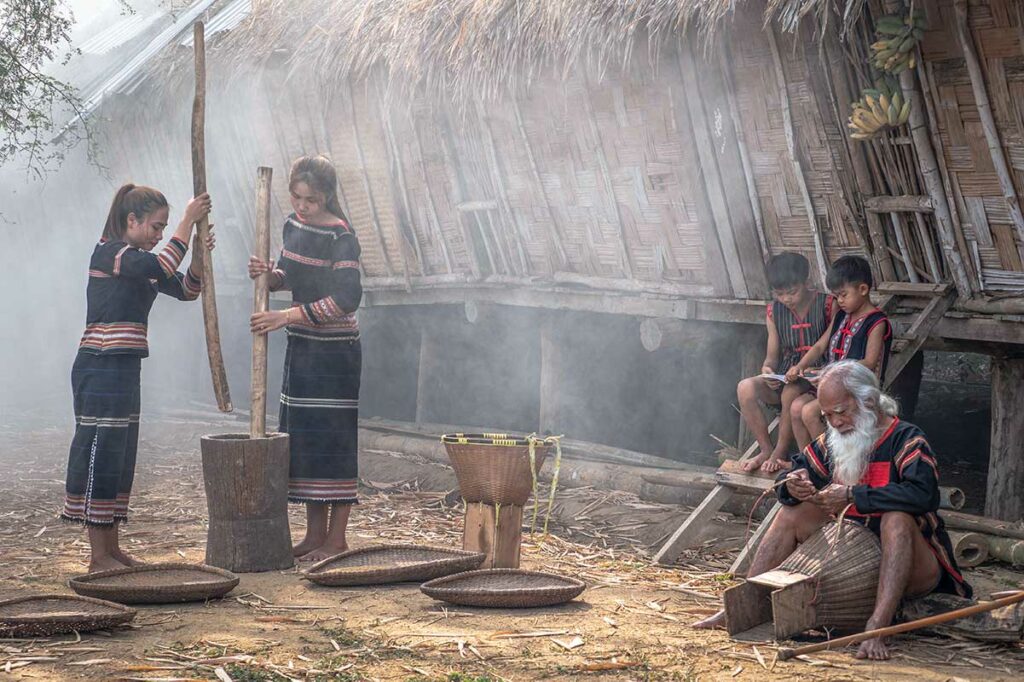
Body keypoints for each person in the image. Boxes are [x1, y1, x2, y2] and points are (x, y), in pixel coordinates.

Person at [695, 361, 971, 660]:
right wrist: (792, 484)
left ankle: (877, 627)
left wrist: (853, 494)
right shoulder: (832, 441)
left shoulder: (907, 439)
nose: (835, 422)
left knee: (897, 519)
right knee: (793, 513)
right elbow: (791, 476)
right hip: (854, 564)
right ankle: (740, 607)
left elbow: (923, 496)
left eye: (841, 412)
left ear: (867, 401)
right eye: (827, 415)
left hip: (914, 566)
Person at [62, 184, 213, 573]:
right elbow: (161, 267)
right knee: (100, 450)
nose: (160, 235)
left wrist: (197, 256)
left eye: (164, 228)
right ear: (132, 221)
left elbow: (186, 289)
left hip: (125, 365)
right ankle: (98, 557)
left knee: (120, 454)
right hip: (100, 365)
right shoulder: (111, 253)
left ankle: (112, 550)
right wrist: (186, 221)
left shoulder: (140, 261)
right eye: (156, 227)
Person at [248, 155, 362, 563]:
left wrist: (286, 315)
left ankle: (337, 539)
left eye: (310, 200)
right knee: (308, 439)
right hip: (303, 347)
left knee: (334, 441)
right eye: (296, 197)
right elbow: (289, 275)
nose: (301, 206)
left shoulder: (342, 238)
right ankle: (315, 536)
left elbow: (347, 299)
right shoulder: (293, 226)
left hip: (335, 353)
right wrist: (268, 275)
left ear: (327, 197)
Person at [739, 252, 834, 473]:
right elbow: (772, 353)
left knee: (790, 392)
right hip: (786, 374)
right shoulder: (774, 311)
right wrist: (767, 369)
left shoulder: (828, 304)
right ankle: (764, 448)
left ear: (807, 283)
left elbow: (824, 345)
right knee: (745, 387)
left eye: (792, 292)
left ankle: (779, 451)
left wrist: (803, 369)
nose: (786, 299)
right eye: (780, 294)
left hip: (816, 375)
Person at [785, 256, 891, 449]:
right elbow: (819, 346)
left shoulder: (877, 322)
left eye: (843, 295)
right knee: (795, 409)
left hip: (857, 389)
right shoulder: (842, 315)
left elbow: (869, 362)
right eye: (836, 296)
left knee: (809, 412)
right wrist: (800, 366)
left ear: (863, 289)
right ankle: (807, 462)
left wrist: (831, 372)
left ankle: (831, 461)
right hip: (832, 386)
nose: (839, 301)